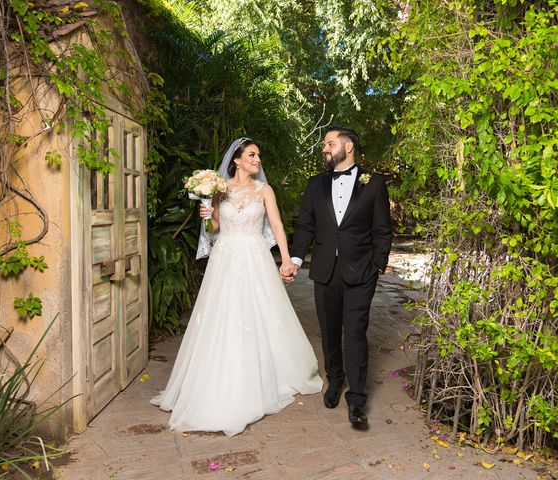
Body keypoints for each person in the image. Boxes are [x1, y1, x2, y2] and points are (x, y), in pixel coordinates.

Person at [151, 137, 322, 437]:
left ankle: (263, 376)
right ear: (237, 160)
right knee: (223, 317)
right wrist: (206, 216)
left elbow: (277, 225)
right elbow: (214, 229)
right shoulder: (218, 188)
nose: (258, 160)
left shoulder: (264, 190)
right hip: (226, 258)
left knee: (261, 316)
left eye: (259, 156)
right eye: (253, 155)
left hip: (255, 256)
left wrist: (285, 259)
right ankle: (221, 381)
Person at [284, 125, 393, 430]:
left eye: (330, 143)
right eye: (324, 145)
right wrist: (294, 259)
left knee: (356, 331)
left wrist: (378, 265)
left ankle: (357, 399)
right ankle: (335, 380)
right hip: (324, 271)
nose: (325, 148)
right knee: (329, 330)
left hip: (361, 271)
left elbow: (382, 229)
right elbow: (305, 225)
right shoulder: (316, 183)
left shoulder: (374, 184)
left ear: (349, 146)